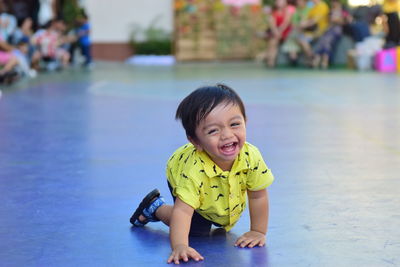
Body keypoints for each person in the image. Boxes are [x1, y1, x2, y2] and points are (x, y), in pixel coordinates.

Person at [130, 84, 275, 264]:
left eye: (235, 124)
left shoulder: (250, 156)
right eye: (213, 130)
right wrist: (180, 246)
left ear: (245, 121)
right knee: (196, 229)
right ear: (195, 141)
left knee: (217, 216)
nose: (227, 135)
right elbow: (183, 211)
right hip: (180, 172)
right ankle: (156, 207)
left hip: (213, 183)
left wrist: (258, 231)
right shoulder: (192, 171)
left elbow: (258, 196)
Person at [312, 0, 351, 69]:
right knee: (324, 40)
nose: (333, 3)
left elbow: (348, 20)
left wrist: (338, 20)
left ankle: (322, 61)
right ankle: (319, 61)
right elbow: (328, 21)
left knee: (327, 40)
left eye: (335, 2)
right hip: (329, 30)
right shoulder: (330, 11)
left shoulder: (343, 11)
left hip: (336, 31)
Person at [264, 0, 295, 67]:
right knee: (272, 42)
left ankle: (293, 58)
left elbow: (286, 23)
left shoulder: (288, 11)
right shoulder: (273, 12)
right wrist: (276, 32)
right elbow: (272, 24)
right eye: (278, 1)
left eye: (281, 1)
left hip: (286, 32)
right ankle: (271, 62)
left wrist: (280, 31)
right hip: (276, 32)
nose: (279, 3)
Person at [281, 0, 311, 66]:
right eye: (298, 1)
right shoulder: (297, 10)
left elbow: (305, 23)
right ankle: (293, 58)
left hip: (306, 32)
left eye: (300, 1)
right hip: (296, 31)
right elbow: (293, 23)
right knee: (293, 37)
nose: (298, 2)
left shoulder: (308, 9)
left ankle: (310, 57)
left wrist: (300, 23)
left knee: (298, 38)